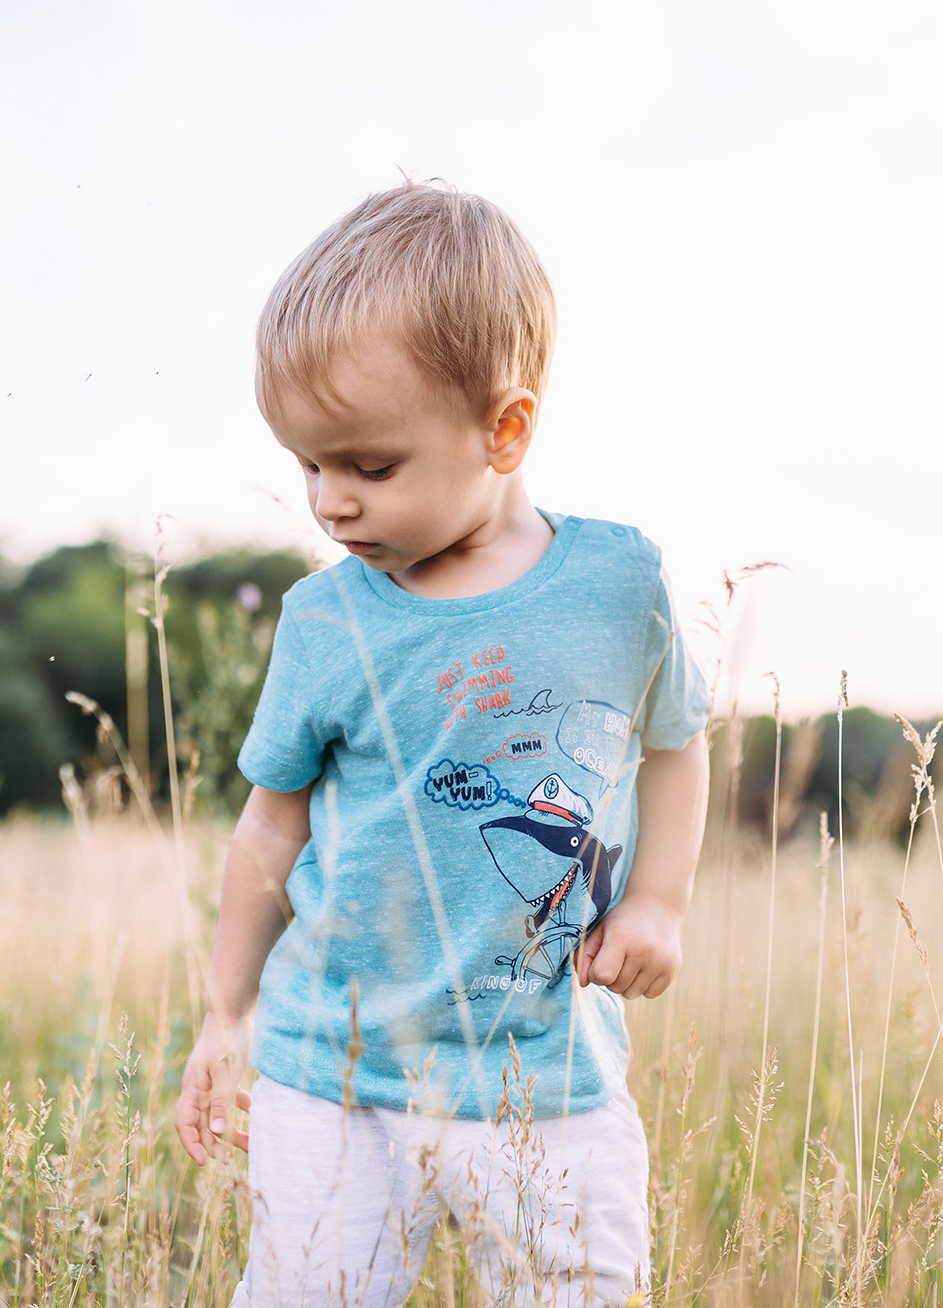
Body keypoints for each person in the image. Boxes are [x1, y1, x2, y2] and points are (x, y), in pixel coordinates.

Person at [175, 180, 712, 1306]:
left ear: (503, 429)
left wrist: (658, 902)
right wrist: (226, 1014)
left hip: (545, 1073)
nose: (330, 503)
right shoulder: (325, 621)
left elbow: (674, 743)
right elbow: (268, 832)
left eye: (369, 467)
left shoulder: (618, 586)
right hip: (333, 1074)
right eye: (308, 465)